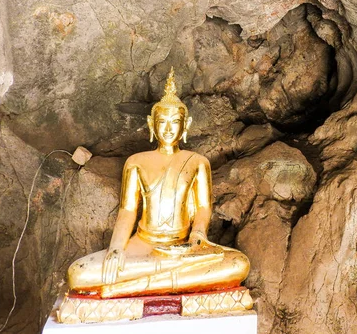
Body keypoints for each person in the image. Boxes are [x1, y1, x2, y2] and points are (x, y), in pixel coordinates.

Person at [66, 69, 250, 298]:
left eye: (175, 122)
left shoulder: (197, 162)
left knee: (238, 263)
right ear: (151, 124)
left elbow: (203, 208)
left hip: (183, 248)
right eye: (162, 122)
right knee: (78, 273)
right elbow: (127, 210)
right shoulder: (136, 162)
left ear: (186, 125)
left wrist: (198, 235)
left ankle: (128, 288)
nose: (169, 128)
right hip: (142, 245)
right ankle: (167, 282)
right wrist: (115, 248)